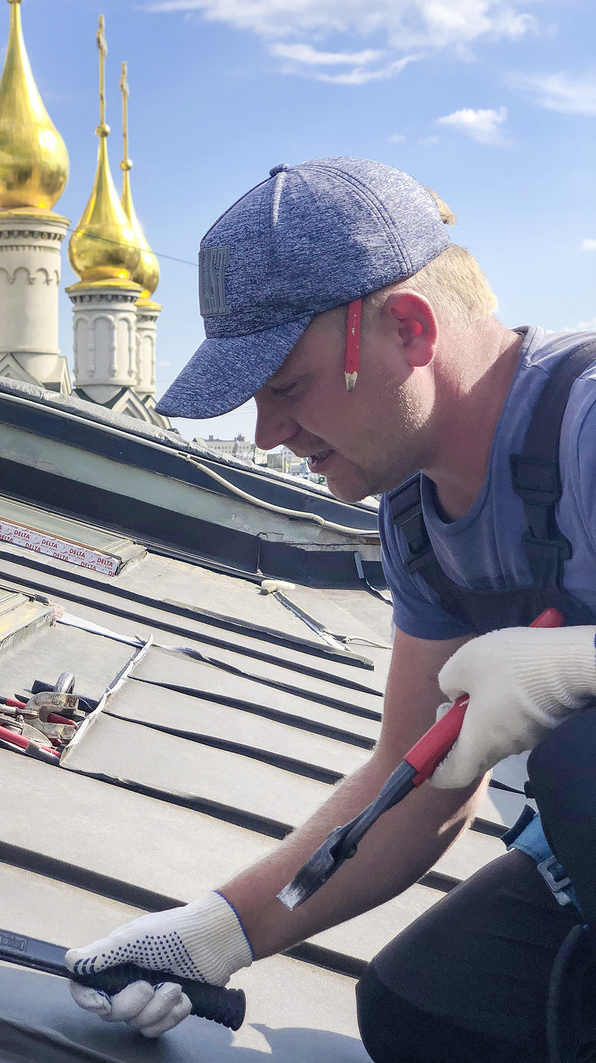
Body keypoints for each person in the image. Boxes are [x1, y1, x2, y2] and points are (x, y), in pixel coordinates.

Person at [64, 157, 596, 1060]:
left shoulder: (584, 424)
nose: (267, 433)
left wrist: (581, 668)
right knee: (423, 1010)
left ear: (410, 328)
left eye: (286, 386)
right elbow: (416, 769)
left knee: (582, 772)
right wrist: (214, 934)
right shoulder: (417, 518)